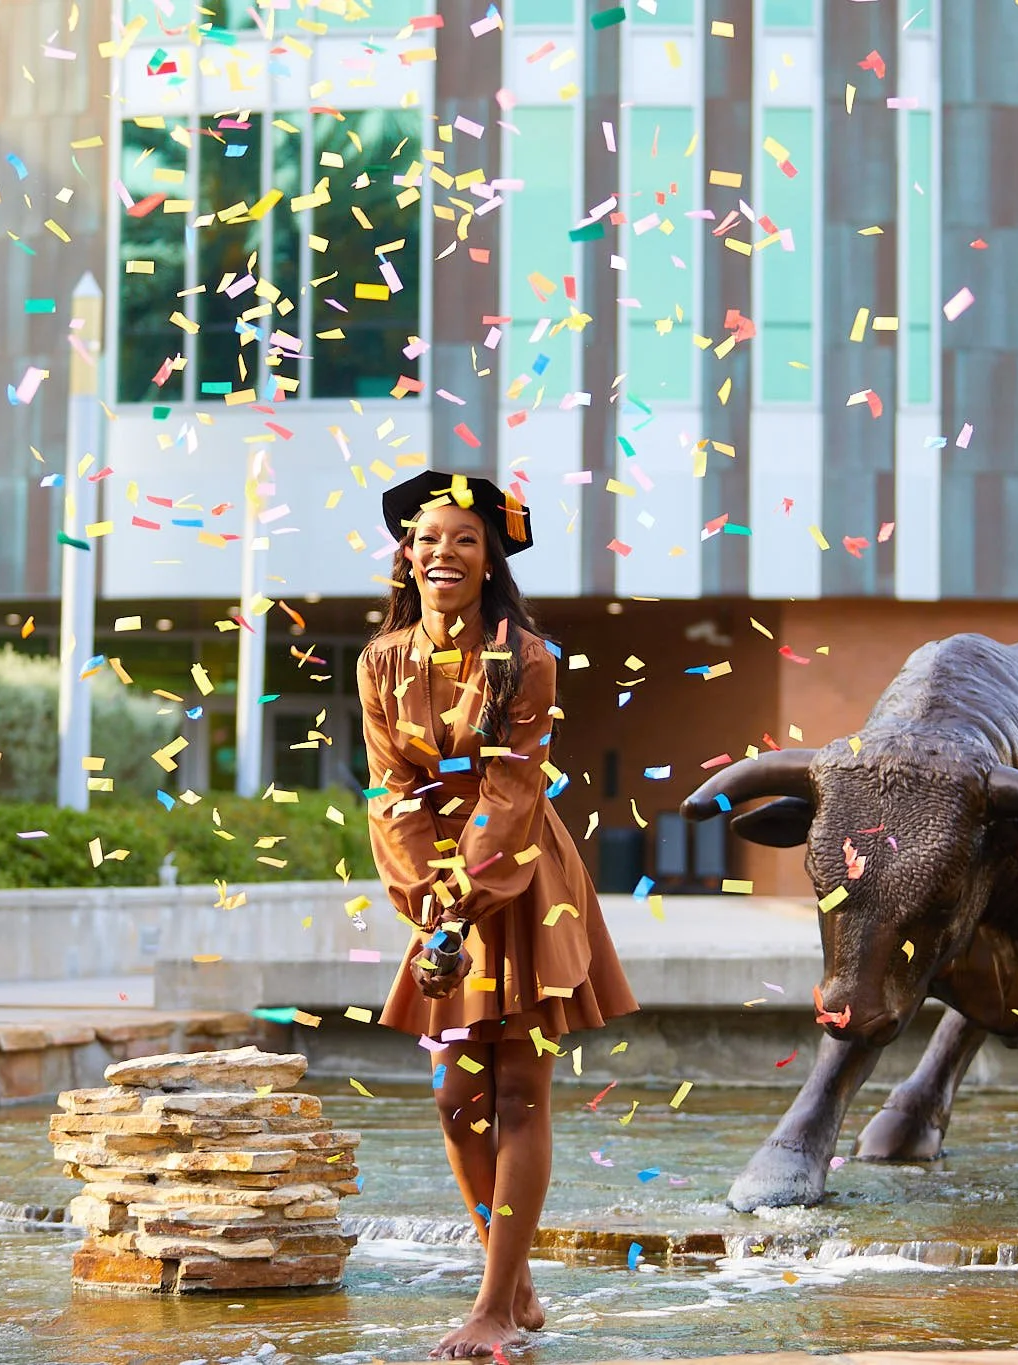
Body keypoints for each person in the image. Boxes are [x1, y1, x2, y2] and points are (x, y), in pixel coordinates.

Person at [360, 469, 638, 1359]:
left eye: (464, 540)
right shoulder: (381, 660)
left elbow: (514, 787)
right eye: (428, 539)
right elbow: (388, 788)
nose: (443, 553)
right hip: (436, 880)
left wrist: (462, 902)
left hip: (519, 874)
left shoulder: (526, 657)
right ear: (407, 553)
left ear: (492, 559)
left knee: (518, 1093)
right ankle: (513, 1287)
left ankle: (490, 1308)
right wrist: (427, 904)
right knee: (454, 1100)